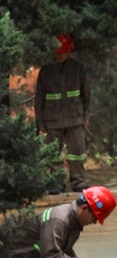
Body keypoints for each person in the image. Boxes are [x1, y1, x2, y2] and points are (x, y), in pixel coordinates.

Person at [34, 34, 92, 192]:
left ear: (69, 51)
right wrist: (40, 122)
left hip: (75, 119)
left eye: (62, 51)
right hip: (52, 120)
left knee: (77, 152)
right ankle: (56, 182)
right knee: (54, 154)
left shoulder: (78, 68)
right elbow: (39, 98)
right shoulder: (45, 71)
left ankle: (78, 181)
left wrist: (86, 116)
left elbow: (86, 94)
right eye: (56, 51)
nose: (58, 54)